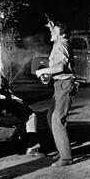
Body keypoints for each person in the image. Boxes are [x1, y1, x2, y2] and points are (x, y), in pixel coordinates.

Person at [35, 20, 78, 167]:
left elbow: (60, 66)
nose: (51, 32)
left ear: (63, 33)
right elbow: (58, 66)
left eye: (55, 31)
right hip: (59, 84)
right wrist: (52, 26)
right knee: (50, 116)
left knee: (57, 119)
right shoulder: (58, 42)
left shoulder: (62, 44)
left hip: (65, 84)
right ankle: (62, 150)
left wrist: (42, 71)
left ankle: (66, 158)